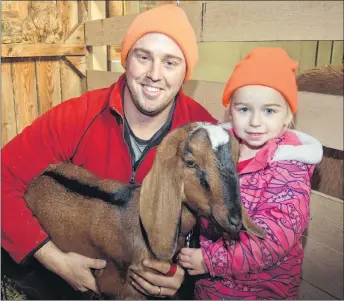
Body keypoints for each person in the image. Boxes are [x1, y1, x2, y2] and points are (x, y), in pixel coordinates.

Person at [1, 4, 217, 299]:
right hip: (79, 263)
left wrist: (189, 271)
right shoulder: (78, 116)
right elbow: (4, 177)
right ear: (126, 59)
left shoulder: (204, 134)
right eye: (144, 57)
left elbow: (224, 213)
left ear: (185, 73)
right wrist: (53, 259)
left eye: (170, 62)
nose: (155, 74)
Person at [177, 47, 323, 300]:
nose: (255, 121)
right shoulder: (215, 152)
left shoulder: (289, 170)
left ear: (287, 115)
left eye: (269, 111)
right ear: (230, 110)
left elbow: (271, 241)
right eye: (244, 109)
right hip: (212, 289)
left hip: (262, 290)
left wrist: (212, 260)